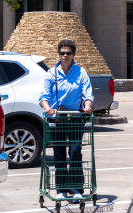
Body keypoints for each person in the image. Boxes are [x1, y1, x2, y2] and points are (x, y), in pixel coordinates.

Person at [39, 39, 94, 201]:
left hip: (76, 117)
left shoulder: (80, 72)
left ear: (73, 54)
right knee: (59, 153)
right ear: (59, 54)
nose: (64, 56)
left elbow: (88, 94)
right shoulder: (51, 73)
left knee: (76, 151)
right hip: (57, 119)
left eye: (68, 53)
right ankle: (61, 189)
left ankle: (76, 188)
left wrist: (87, 106)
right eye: (62, 53)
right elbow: (43, 97)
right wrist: (47, 108)